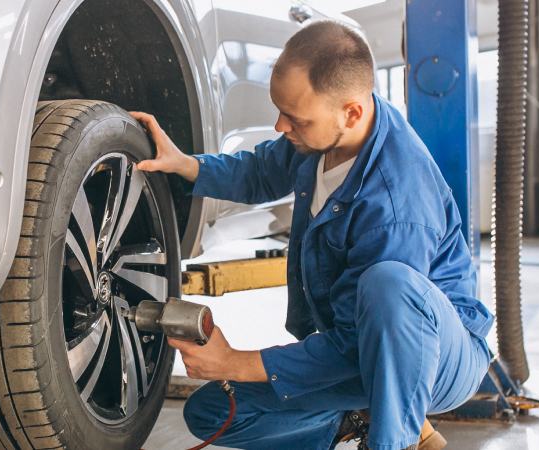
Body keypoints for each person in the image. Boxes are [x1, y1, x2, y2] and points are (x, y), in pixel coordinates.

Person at [129, 20, 494, 450]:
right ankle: (358, 415)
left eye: (295, 118)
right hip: (361, 350)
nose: (282, 127)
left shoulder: (396, 204)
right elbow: (261, 171)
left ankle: (394, 437)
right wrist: (186, 164)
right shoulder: (326, 134)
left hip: (434, 360)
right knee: (212, 413)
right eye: (280, 111)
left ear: (352, 112)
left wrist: (237, 362)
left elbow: (358, 343)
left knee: (388, 284)